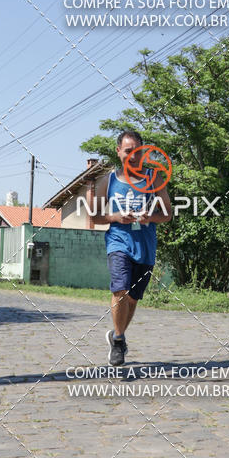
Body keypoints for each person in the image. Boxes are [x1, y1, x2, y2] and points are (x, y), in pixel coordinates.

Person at [94, 131, 172, 366]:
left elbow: (167, 214)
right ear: (118, 152)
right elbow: (95, 217)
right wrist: (116, 216)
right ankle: (118, 341)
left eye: (137, 151)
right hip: (118, 242)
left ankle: (118, 335)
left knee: (133, 299)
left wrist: (151, 216)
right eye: (128, 151)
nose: (133, 156)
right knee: (120, 290)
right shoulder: (107, 181)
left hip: (145, 246)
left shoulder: (154, 178)